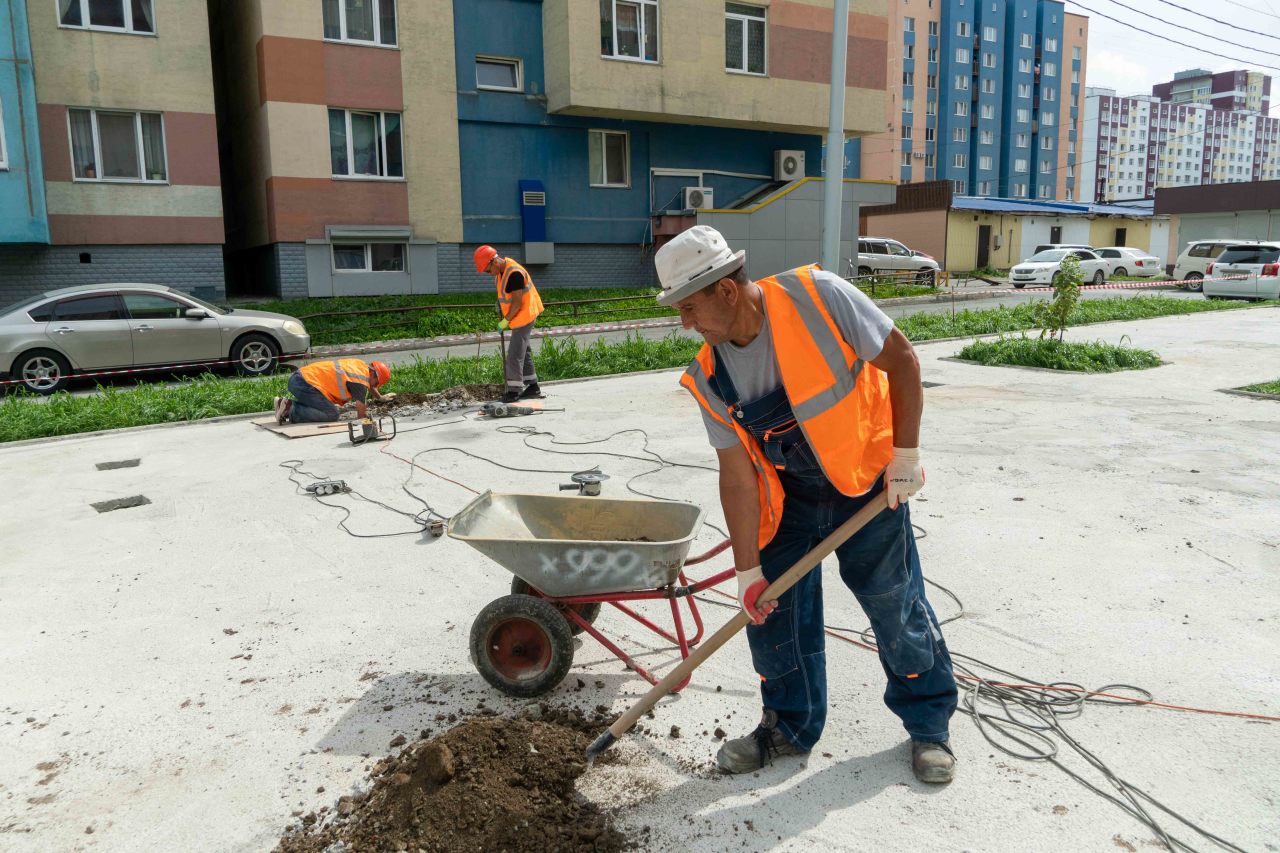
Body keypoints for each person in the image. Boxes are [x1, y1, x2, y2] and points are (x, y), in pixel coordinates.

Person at [655, 225, 959, 783]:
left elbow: (903, 362)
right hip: (789, 498)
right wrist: (748, 570)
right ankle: (788, 726)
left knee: (895, 605)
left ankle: (929, 727)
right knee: (770, 612)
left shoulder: (819, 297)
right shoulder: (710, 376)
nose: (686, 322)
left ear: (726, 290)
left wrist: (906, 456)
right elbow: (738, 478)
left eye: (689, 307)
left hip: (866, 484)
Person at [474, 245, 544, 403]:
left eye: (487, 270)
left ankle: (513, 392)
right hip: (518, 316)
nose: (487, 273)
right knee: (523, 351)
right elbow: (507, 295)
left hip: (524, 315)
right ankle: (533, 387)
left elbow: (518, 302)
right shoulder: (500, 272)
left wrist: (505, 321)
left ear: (494, 261)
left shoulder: (514, 273)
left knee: (514, 355)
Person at [274, 359, 392, 425]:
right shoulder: (360, 380)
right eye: (377, 383)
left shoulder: (359, 366)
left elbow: (370, 385)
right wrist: (367, 420)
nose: (375, 386)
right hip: (304, 384)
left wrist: (380, 398)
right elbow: (361, 415)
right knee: (332, 414)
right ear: (373, 374)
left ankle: (283, 404)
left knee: (324, 407)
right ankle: (290, 409)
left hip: (301, 379)